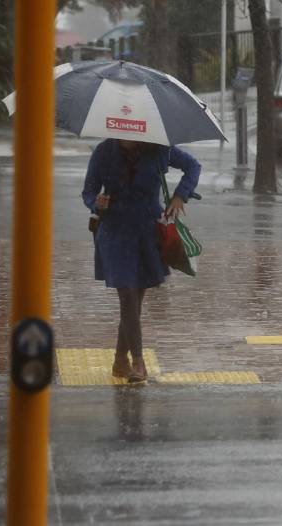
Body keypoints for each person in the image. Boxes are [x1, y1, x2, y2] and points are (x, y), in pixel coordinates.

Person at [82, 139, 201, 384]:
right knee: (127, 294)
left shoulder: (159, 148)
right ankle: (138, 361)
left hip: (147, 233)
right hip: (114, 232)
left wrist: (180, 195)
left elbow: (193, 166)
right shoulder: (105, 151)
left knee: (134, 301)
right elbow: (89, 191)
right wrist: (96, 202)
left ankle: (119, 361)